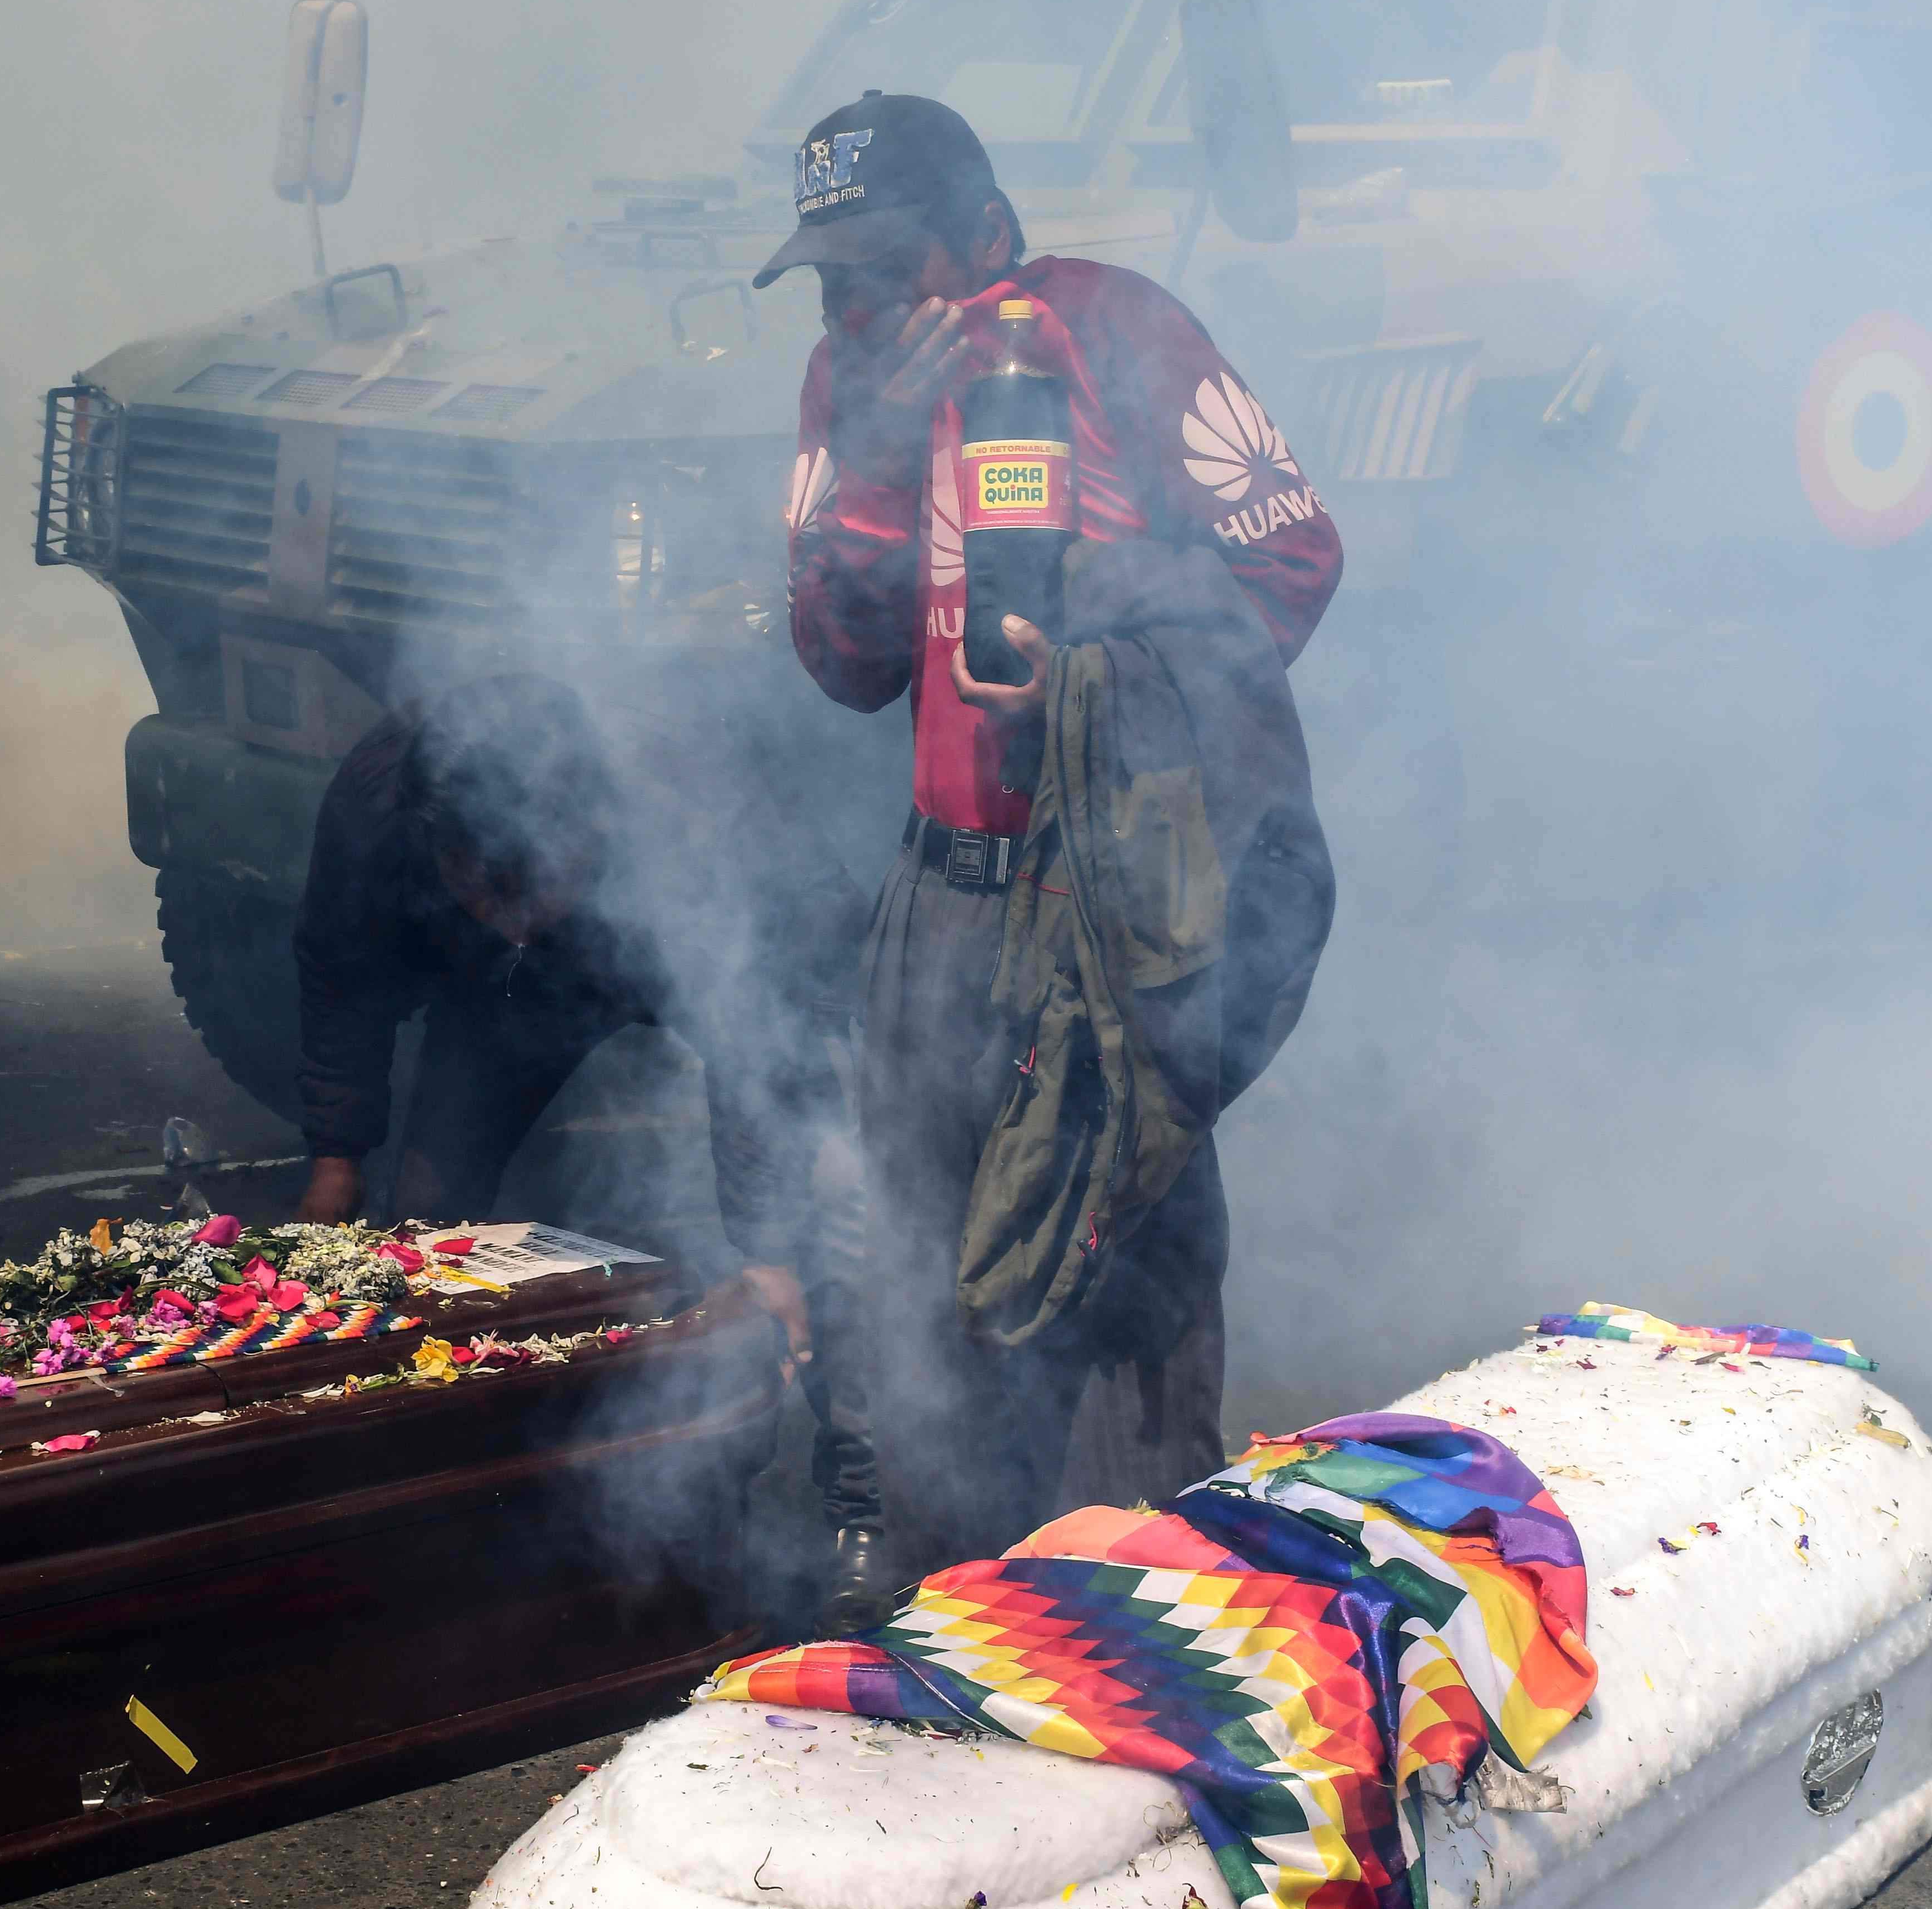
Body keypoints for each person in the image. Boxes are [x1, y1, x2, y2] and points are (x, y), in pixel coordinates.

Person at [759, 88, 1343, 1601]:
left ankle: (1140, 1622)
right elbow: (841, 661)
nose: (862, 310)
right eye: (831, 283)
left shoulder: (1111, 328)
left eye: (888, 270)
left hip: (1105, 905)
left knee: (1118, 1287)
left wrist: (1094, 641)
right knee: (926, 1294)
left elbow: (1290, 560)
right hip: (938, 908)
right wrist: (877, 465)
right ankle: (948, 1627)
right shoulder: (845, 385)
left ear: (988, 236)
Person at [290, 677, 854, 1385]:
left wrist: (768, 1249)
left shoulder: (688, 808)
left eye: (532, 888)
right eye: (484, 890)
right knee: (427, 1212)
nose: (516, 920)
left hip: (701, 960)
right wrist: (336, 1155)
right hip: (504, 991)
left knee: (823, 1211)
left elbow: (758, 1031)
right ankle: (453, 1399)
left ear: (594, 824)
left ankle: (825, 1380)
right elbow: (343, 973)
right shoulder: (382, 805)